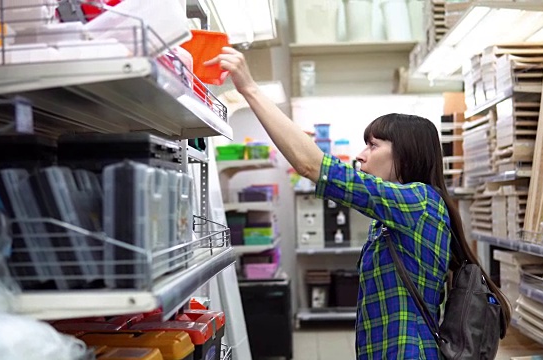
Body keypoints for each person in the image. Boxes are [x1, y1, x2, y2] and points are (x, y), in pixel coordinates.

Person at [205, 47, 511, 359]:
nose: (362, 154)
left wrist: (250, 89)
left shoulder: (420, 202)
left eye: (373, 145)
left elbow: (313, 166)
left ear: (405, 153)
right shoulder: (394, 216)